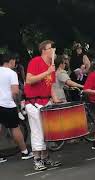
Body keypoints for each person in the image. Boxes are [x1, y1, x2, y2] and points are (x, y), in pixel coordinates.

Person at [24, 40, 62, 171]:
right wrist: (47, 71)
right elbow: (29, 80)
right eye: (51, 48)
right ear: (44, 50)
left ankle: (45, 159)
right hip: (34, 103)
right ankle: (37, 160)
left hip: (46, 102)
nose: (54, 50)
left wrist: (55, 99)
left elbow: (49, 85)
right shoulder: (35, 61)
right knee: (38, 132)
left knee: (47, 132)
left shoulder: (51, 66)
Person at [0, 53, 34, 163]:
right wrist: (18, 105)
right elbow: (15, 92)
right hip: (7, 104)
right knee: (15, 128)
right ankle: (24, 152)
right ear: (10, 61)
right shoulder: (11, 73)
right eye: (15, 61)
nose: (15, 63)